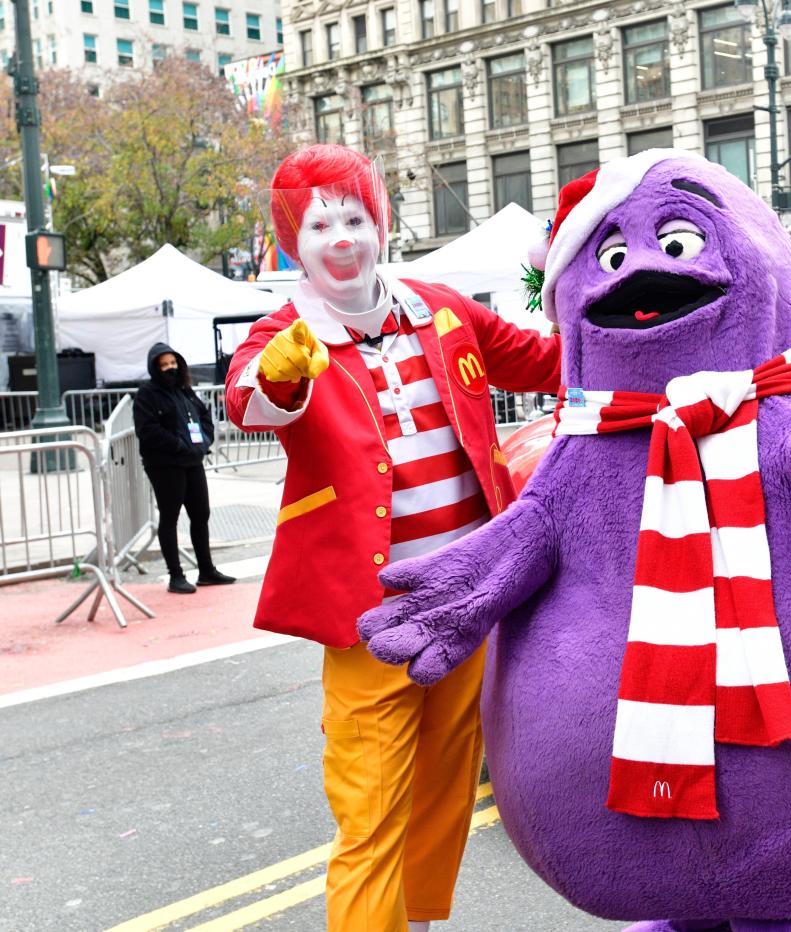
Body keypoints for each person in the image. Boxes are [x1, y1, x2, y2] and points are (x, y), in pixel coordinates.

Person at [224, 143, 561, 932]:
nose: (340, 237)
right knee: (369, 804)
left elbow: (545, 362)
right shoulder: (286, 335)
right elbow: (248, 401)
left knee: (445, 786)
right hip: (372, 612)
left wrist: (622, 313)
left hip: (469, 595)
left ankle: (412, 920)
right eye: (318, 226)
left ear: (379, 225)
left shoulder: (440, 309)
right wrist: (279, 372)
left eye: (354, 218)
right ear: (292, 243)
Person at [134, 342, 236, 594]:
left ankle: (206, 570)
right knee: (170, 518)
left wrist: (205, 440)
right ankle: (175, 575)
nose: (170, 368)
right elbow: (147, 431)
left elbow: (203, 416)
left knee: (200, 514)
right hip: (165, 465)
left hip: (193, 461)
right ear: (155, 368)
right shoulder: (147, 395)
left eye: (173, 363)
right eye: (164, 365)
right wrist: (180, 445)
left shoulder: (185, 390)